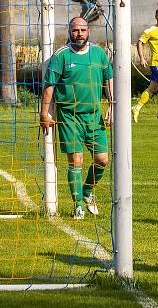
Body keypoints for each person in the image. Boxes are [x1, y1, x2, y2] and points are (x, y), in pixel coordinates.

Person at [40, 17, 113, 219]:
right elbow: (49, 87)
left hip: (94, 116)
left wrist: (112, 106)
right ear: (69, 32)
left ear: (88, 31)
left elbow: (109, 79)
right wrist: (44, 112)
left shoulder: (99, 53)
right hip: (69, 117)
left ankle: (87, 192)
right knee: (76, 160)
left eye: (82, 30)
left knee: (102, 160)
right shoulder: (61, 56)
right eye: (75, 30)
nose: (79, 33)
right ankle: (78, 206)